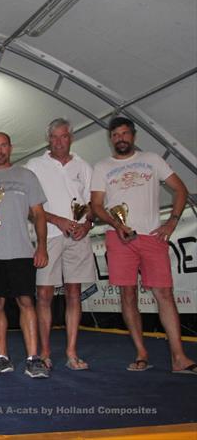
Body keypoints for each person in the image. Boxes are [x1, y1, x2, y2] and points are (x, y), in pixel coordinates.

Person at [90, 116, 195, 374]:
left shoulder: (152, 160)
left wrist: (171, 222)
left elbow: (180, 190)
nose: (120, 139)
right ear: (111, 139)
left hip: (152, 237)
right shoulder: (102, 167)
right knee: (128, 295)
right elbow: (96, 206)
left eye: (125, 133)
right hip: (119, 237)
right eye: (115, 135)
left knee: (165, 294)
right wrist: (117, 225)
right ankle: (141, 353)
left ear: (133, 136)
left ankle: (179, 357)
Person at [0, 132, 49, 379]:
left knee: (26, 302)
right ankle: (2, 357)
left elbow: (39, 214)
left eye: (3, 145)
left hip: (21, 252)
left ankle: (33, 359)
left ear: (10, 148)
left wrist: (42, 246)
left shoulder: (27, 176)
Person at [26, 118, 95, 372]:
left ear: (71, 138)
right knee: (44, 295)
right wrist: (58, 220)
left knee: (74, 293)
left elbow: (92, 206)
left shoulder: (84, 166)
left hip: (79, 238)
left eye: (63, 136)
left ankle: (71, 352)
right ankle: (44, 352)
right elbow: (30, 208)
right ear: (48, 139)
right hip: (49, 237)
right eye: (54, 137)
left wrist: (86, 225)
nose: (58, 142)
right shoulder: (34, 165)